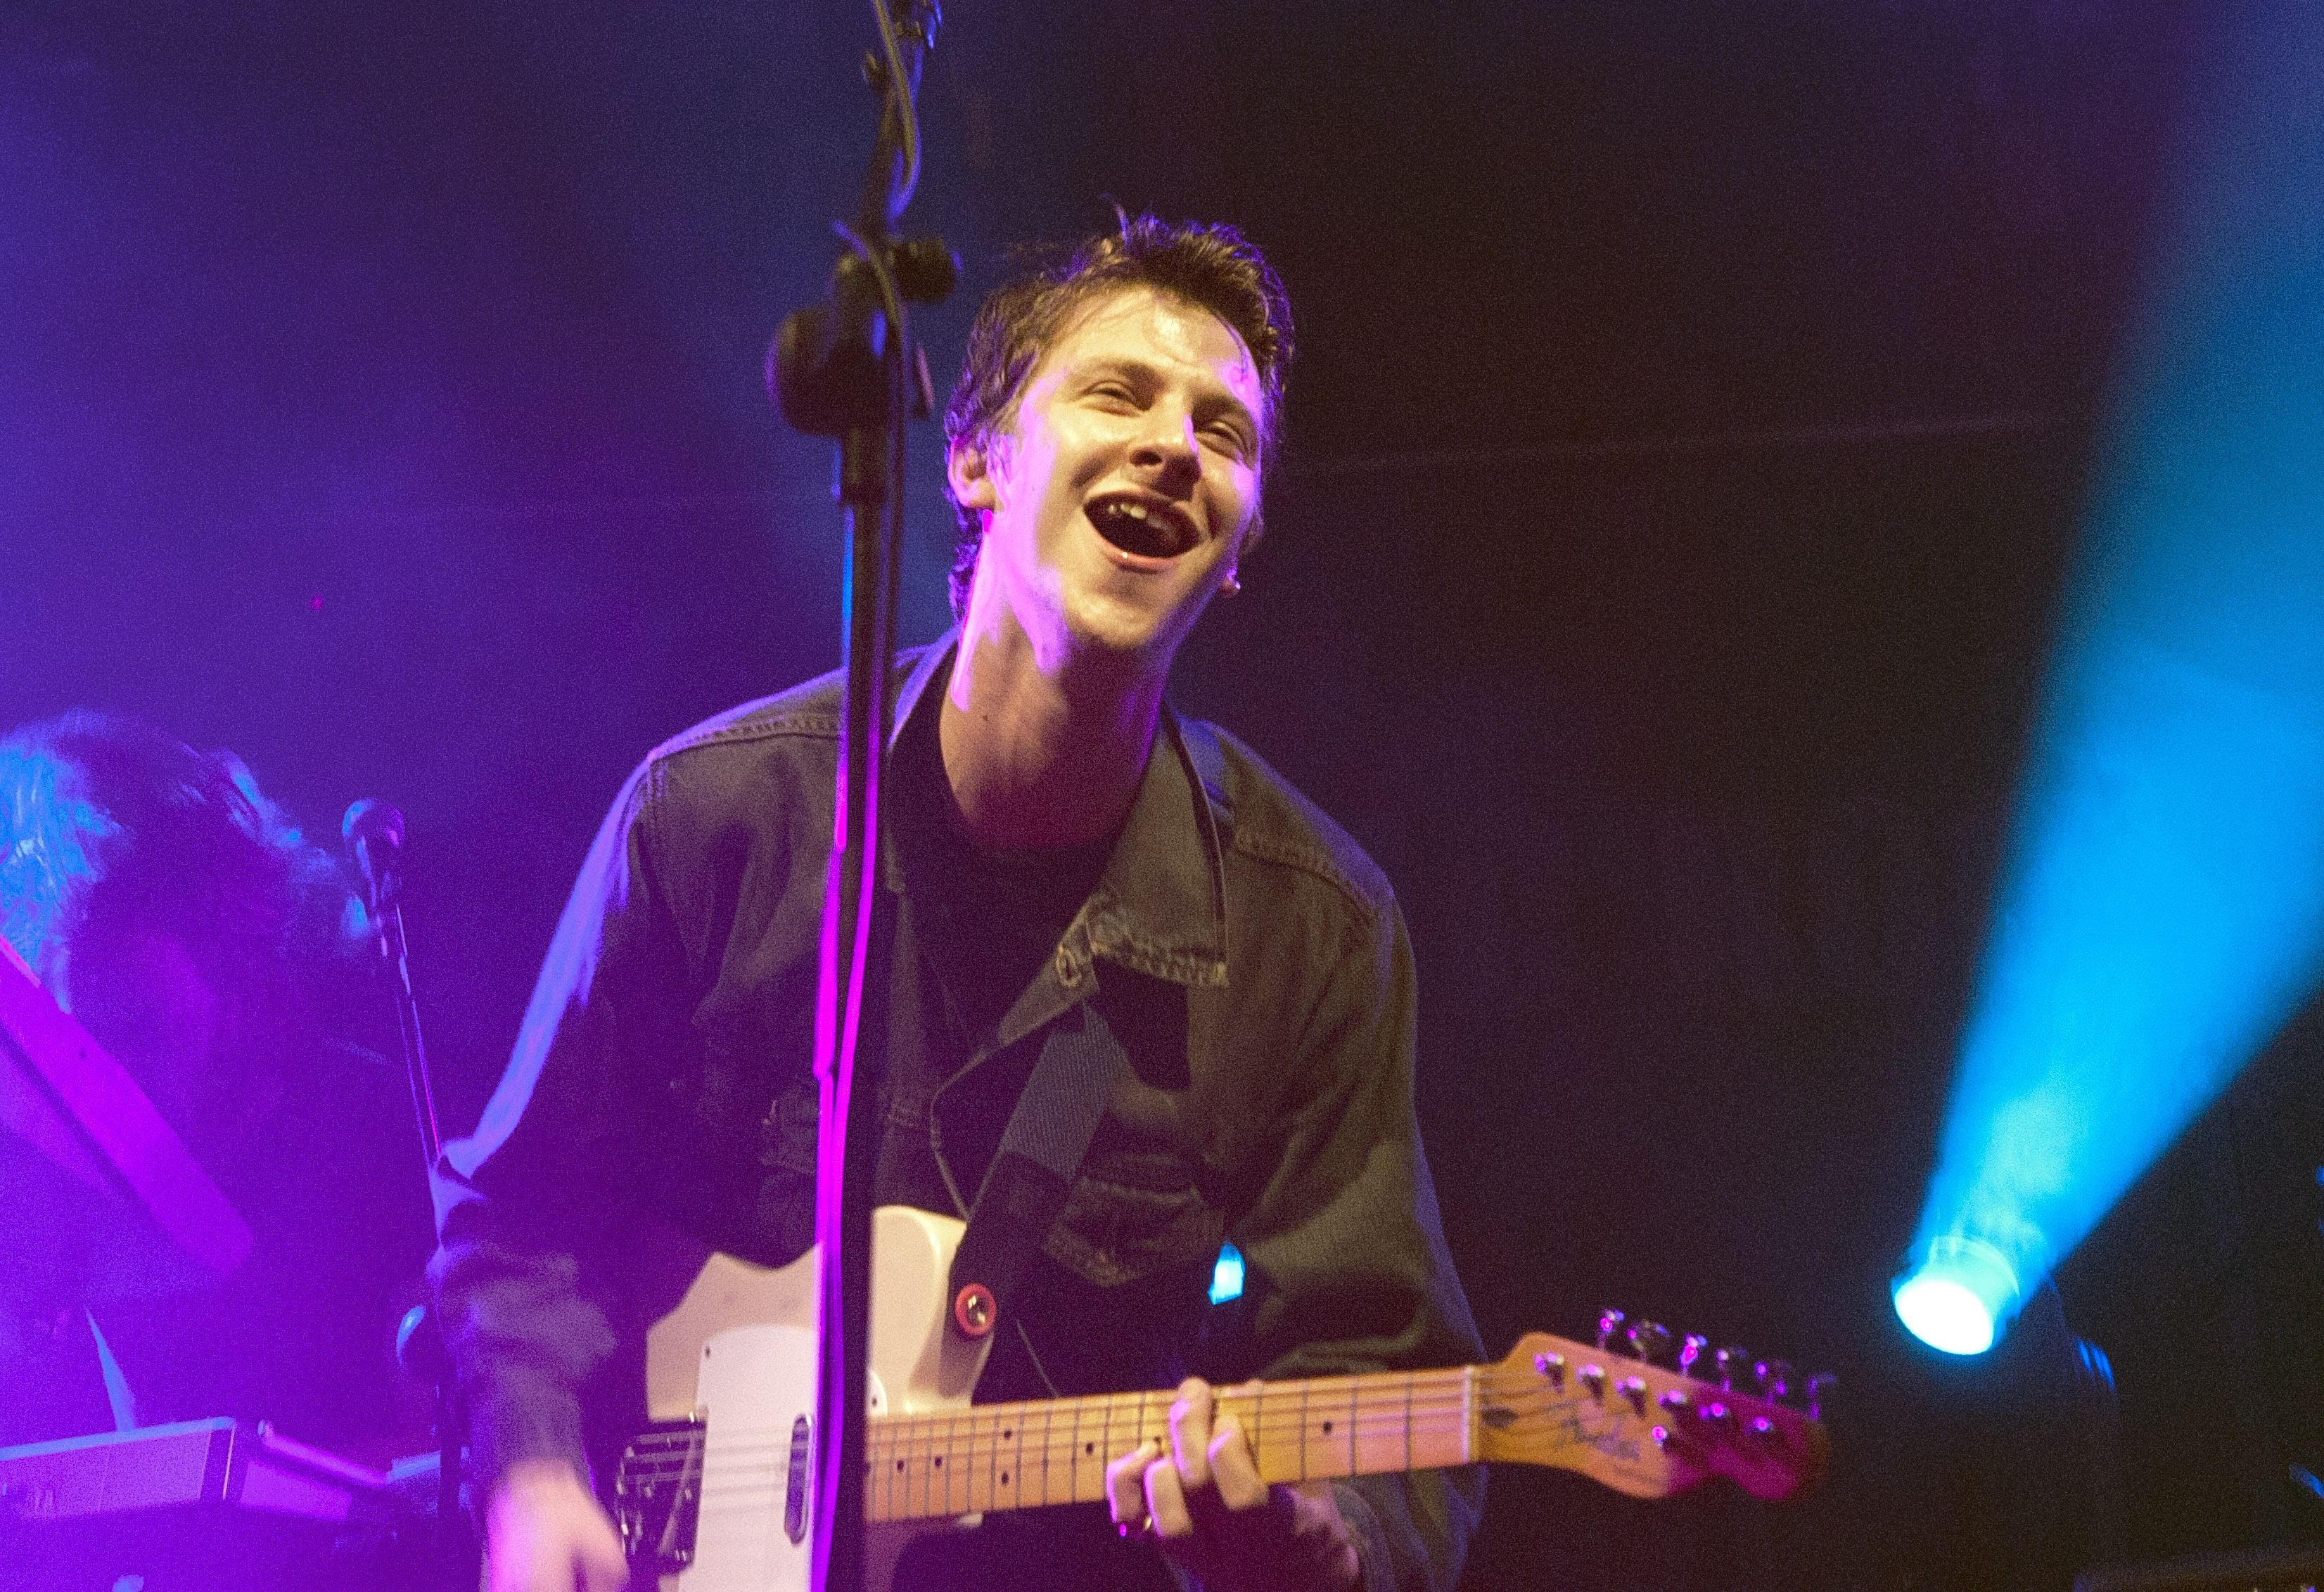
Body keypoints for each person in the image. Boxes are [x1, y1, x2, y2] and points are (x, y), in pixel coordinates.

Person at [431, 215, 1486, 1592]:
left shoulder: (1310, 929)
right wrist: (534, 1473)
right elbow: (520, 1217)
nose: (1175, 443)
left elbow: (1380, 1380)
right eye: (1118, 395)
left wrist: (1301, 1541)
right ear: (973, 461)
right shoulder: (714, 818)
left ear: (1237, 549)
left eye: (1224, 435)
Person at [0, 712, 432, 1462]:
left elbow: (443, 1438)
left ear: (223, 949)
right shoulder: (62, 1170)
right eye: (81, 1038)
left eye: (131, 1026)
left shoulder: (365, 1115)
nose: (106, 1070)